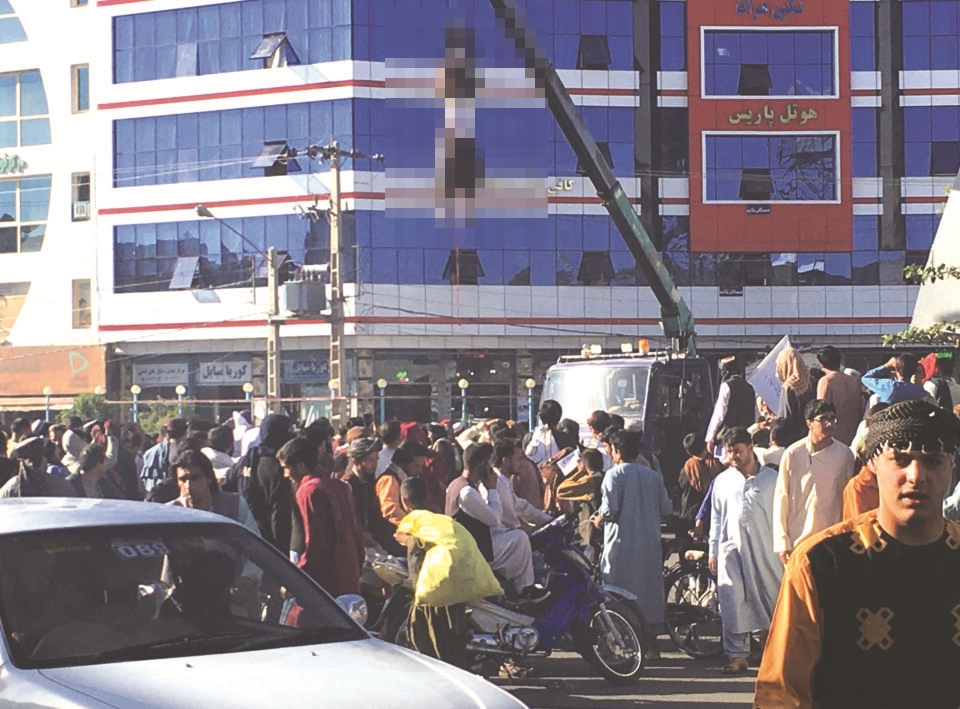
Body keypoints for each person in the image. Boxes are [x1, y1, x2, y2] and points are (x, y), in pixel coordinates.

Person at [755, 400, 960, 707]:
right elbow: (782, 692)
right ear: (873, 463)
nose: (916, 475)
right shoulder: (820, 562)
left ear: (951, 465)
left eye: (932, 461)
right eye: (900, 459)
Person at [398, 476, 501, 668]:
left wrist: (417, 595)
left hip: (437, 589)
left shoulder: (415, 524)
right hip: (458, 585)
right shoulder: (438, 520)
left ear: (404, 501)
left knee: (425, 638)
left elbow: (415, 569)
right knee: (454, 637)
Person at [707, 427, 782, 675]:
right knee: (732, 603)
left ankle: (773, 652)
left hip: (766, 551)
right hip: (731, 551)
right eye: (730, 453)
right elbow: (716, 518)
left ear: (750, 448)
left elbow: (783, 518)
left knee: (770, 598)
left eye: (738, 451)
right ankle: (737, 656)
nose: (734, 457)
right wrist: (713, 550)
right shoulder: (722, 482)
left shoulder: (772, 481)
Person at [593, 428, 671, 652]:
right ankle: (651, 642)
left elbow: (609, 510)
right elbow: (666, 507)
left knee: (618, 591)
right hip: (649, 543)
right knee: (649, 590)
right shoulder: (653, 476)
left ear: (616, 451)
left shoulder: (614, 475)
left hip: (621, 544)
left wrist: (598, 518)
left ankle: (626, 640)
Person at [445, 442, 539, 597]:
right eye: (488, 463)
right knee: (520, 538)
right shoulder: (467, 492)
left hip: (471, 541)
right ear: (482, 464)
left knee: (513, 534)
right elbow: (495, 518)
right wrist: (492, 489)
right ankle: (525, 589)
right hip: (475, 549)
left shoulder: (456, 484)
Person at [276, 436, 364, 599]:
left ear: (301, 466)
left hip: (326, 584)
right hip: (349, 575)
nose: (285, 475)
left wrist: (296, 579)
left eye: (287, 468)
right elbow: (356, 532)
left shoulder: (309, 491)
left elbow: (316, 545)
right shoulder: (339, 486)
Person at [773, 400, 857, 565]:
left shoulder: (844, 455)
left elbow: (847, 497)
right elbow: (781, 497)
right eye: (823, 418)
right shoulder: (793, 454)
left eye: (832, 418)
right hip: (799, 537)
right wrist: (782, 541)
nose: (829, 423)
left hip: (832, 536)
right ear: (809, 423)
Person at [223, 414, 294, 555]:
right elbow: (279, 515)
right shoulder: (277, 469)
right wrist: (280, 554)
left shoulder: (247, 460)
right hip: (266, 543)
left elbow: (225, 490)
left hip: (242, 534)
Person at [168, 450, 258, 533]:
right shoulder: (170, 513)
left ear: (209, 478)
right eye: (183, 480)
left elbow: (254, 543)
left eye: (195, 478)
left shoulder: (234, 505)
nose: (189, 486)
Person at [343, 436, 406, 556]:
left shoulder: (371, 482)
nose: (375, 465)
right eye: (370, 460)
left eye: (376, 460)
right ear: (356, 461)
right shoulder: (346, 485)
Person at [705, 356, 757, 456]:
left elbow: (719, 415)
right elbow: (755, 414)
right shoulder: (749, 388)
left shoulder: (726, 386)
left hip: (727, 440)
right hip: (745, 439)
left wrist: (710, 438)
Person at [815, 346, 865, 445]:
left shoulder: (826, 381)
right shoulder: (854, 381)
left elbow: (821, 409)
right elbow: (861, 406)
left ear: (821, 364)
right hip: (854, 432)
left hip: (833, 434)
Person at [772, 347, 816, 448]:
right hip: (811, 437)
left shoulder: (789, 387)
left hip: (793, 442)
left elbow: (785, 419)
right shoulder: (812, 382)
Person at [677, 434, 722, 532]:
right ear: (705, 445)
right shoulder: (717, 465)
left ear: (688, 452)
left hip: (689, 516)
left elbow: (681, 486)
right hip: (712, 515)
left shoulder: (687, 468)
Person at [140, 418, 188, 492]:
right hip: (174, 492)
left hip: (154, 492)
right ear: (185, 432)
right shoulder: (185, 451)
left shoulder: (150, 452)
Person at [861, 353, 931, 404]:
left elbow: (866, 378)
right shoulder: (922, 393)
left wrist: (887, 365)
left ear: (896, 370)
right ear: (914, 371)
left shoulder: (889, 386)